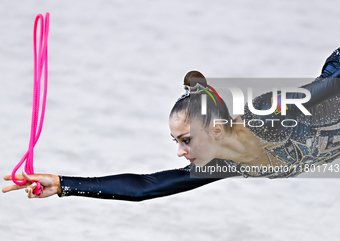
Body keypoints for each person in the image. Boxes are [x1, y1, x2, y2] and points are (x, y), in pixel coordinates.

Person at [3, 47, 340, 201]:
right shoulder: (223, 162)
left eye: (186, 140)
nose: (181, 153)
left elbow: (330, 83)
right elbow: (146, 186)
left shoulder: (266, 114)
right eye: (176, 142)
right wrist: (63, 183)